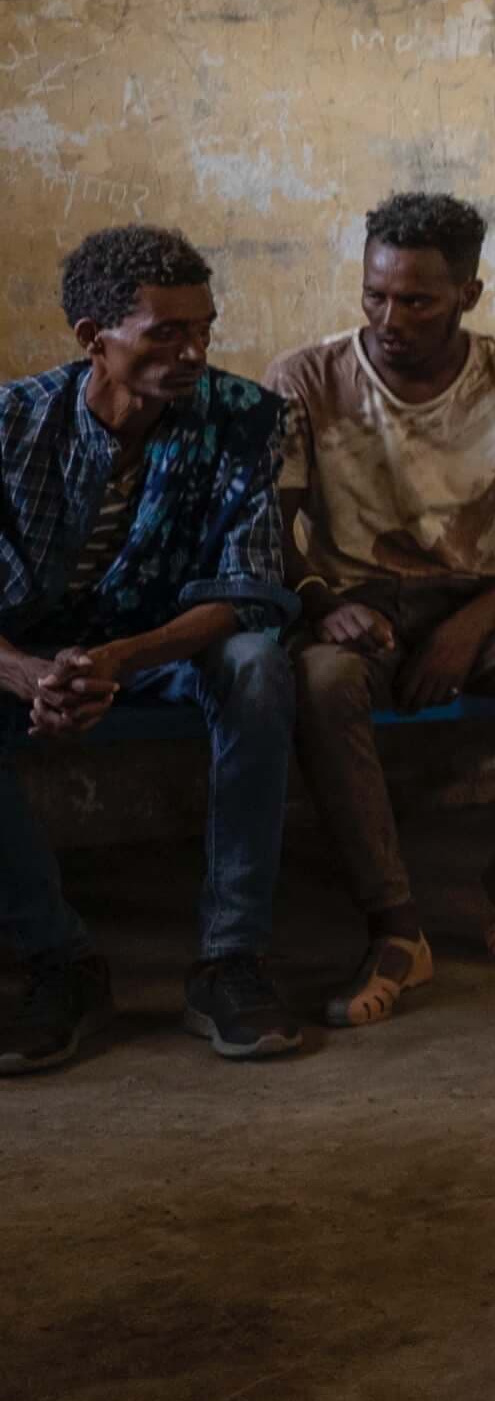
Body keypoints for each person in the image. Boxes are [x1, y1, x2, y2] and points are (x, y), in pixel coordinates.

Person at [270, 193, 495, 1027]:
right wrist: (319, 603)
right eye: (375, 294)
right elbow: (270, 531)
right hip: (351, 600)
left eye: (417, 300)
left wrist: (468, 628)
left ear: (469, 294)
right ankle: (394, 924)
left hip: (470, 594)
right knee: (321, 684)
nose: (390, 318)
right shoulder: (306, 379)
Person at [0, 227, 303, 1074]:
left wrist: (119, 660)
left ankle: (230, 959)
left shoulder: (243, 417)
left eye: (202, 328)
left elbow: (248, 587)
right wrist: (27, 674)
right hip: (29, 655)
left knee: (258, 664)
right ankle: (61, 961)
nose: (193, 352)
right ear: (93, 339)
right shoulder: (12, 425)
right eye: (165, 333)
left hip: (163, 644)